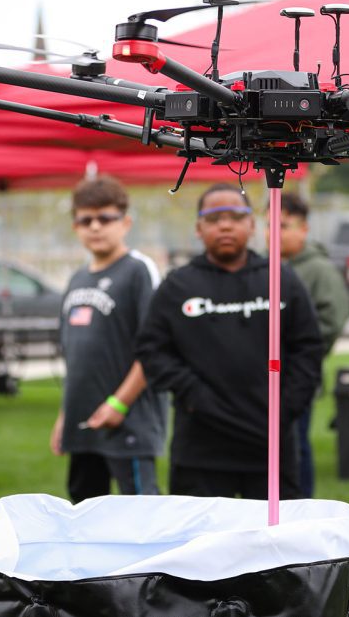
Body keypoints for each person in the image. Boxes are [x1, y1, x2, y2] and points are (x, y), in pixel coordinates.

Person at [135, 184, 323, 499]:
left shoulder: (282, 279)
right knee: (204, 546)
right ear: (198, 228)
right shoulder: (177, 286)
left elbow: (308, 349)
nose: (225, 225)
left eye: (235, 216)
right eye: (213, 218)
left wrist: (284, 408)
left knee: (274, 545)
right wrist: (194, 395)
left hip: (271, 446)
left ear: (252, 225)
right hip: (201, 449)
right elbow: (151, 350)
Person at [48, 176, 165, 503]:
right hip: (83, 424)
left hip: (128, 423)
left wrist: (119, 403)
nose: (95, 226)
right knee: (84, 514)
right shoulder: (77, 278)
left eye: (105, 218)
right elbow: (74, 358)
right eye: (86, 220)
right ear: (75, 227)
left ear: (125, 222)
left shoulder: (138, 270)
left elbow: (154, 348)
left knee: (142, 514)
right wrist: (65, 416)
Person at [275, 193, 349, 499]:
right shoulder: (268, 266)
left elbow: (332, 321)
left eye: (283, 225)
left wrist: (296, 351)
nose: (274, 233)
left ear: (304, 229)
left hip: (297, 377)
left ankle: (299, 505)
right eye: (269, 225)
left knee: (295, 445)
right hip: (265, 377)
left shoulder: (318, 269)